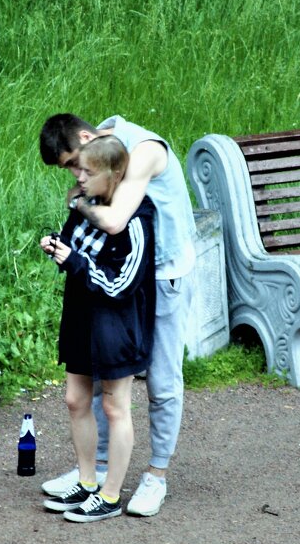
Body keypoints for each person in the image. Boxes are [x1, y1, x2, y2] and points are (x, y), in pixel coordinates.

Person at [38, 112, 196, 517]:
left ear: (89, 139)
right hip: (116, 279)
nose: (75, 175)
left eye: (76, 164)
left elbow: (113, 220)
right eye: (72, 169)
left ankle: (155, 477)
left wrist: (77, 204)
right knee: (95, 384)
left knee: (161, 382)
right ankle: (96, 474)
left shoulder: (142, 152)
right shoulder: (103, 154)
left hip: (163, 274)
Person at [39, 136, 156, 522]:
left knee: (114, 405)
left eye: (89, 173)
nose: (80, 180)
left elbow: (121, 284)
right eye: (79, 170)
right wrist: (58, 249)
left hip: (116, 325)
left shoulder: (137, 218)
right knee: (76, 400)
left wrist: (73, 261)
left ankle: (109, 495)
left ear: (115, 174)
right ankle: (87, 482)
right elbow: (75, 246)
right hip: (81, 317)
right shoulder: (87, 206)